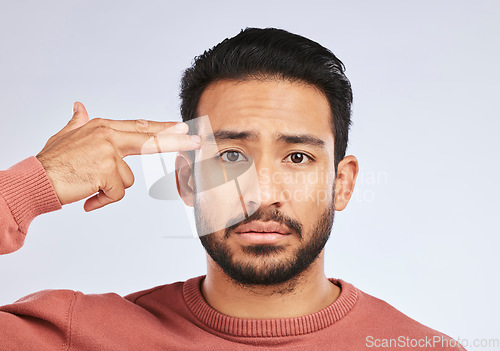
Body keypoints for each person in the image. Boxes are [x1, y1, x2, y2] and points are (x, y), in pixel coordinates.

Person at [0, 28, 465, 350]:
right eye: (230, 156)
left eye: (298, 157)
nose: (260, 193)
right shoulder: (76, 336)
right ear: (185, 179)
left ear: (341, 185)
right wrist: (31, 185)